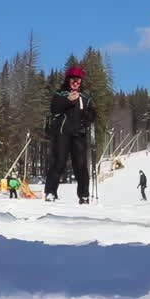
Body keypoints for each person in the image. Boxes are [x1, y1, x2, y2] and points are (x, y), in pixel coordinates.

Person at [44, 67, 97, 203]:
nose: (75, 82)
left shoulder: (85, 97)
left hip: (79, 134)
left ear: (81, 81)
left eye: (78, 79)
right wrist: (68, 100)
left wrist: (87, 117)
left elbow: (93, 114)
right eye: (73, 79)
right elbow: (54, 109)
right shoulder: (60, 94)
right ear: (68, 80)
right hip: (62, 133)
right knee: (59, 162)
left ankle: (84, 196)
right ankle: (50, 192)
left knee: (80, 165)